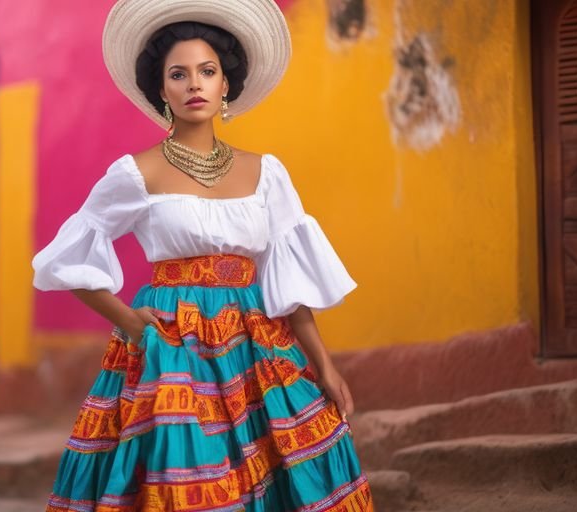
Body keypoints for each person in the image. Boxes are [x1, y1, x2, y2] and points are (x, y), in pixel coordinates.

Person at [31, 0, 375, 510]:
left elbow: (288, 281)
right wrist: (132, 323)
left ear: (225, 85)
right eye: (179, 74)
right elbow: (64, 261)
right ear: (162, 90)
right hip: (173, 343)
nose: (195, 84)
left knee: (292, 457)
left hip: (257, 340)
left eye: (207, 71)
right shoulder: (135, 173)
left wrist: (323, 364)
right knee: (187, 470)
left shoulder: (267, 173)